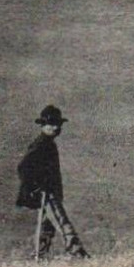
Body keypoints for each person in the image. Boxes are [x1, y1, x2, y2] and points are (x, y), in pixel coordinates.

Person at [16, 105, 88, 259]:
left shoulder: (47, 143)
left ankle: (38, 257)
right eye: (52, 124)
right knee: (62, 222)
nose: (56, 127)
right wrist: (34, 187)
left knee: (47, 226)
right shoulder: (41, 144)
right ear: (43, 125)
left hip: (49, 192)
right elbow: (23, 167)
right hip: (46, 192)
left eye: (58, 124)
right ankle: (78, 253)